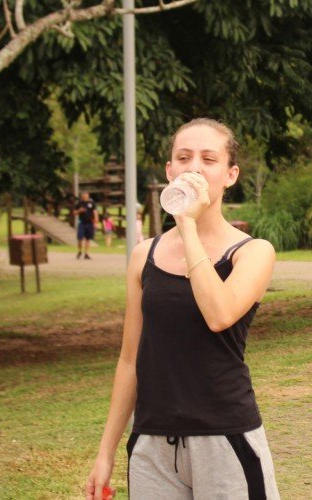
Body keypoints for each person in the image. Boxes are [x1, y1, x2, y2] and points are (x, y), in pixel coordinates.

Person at [85, 118, 279, 500]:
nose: (194, 168)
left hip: (225, 438)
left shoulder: (253, 252)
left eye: (209, 159)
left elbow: (219, 314)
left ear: (230, 174)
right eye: (184, 158)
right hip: (153, 444)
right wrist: (105, 452)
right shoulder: (144, 256)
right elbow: (129, 360)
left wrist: (187, 226)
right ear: (170, 171)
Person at [74, 191, 99, 259]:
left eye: (85, 194)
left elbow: (95, 211)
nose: (84, 196)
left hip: (90, 223)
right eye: (83, 194)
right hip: (82, 223)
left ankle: (86, 254)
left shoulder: (91, 203)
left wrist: (96, 221)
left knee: (88, 239)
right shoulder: (79, 203)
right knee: (80, 238)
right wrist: (79, 210)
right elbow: (74, 212)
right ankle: (79, 251)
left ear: (88, 195)